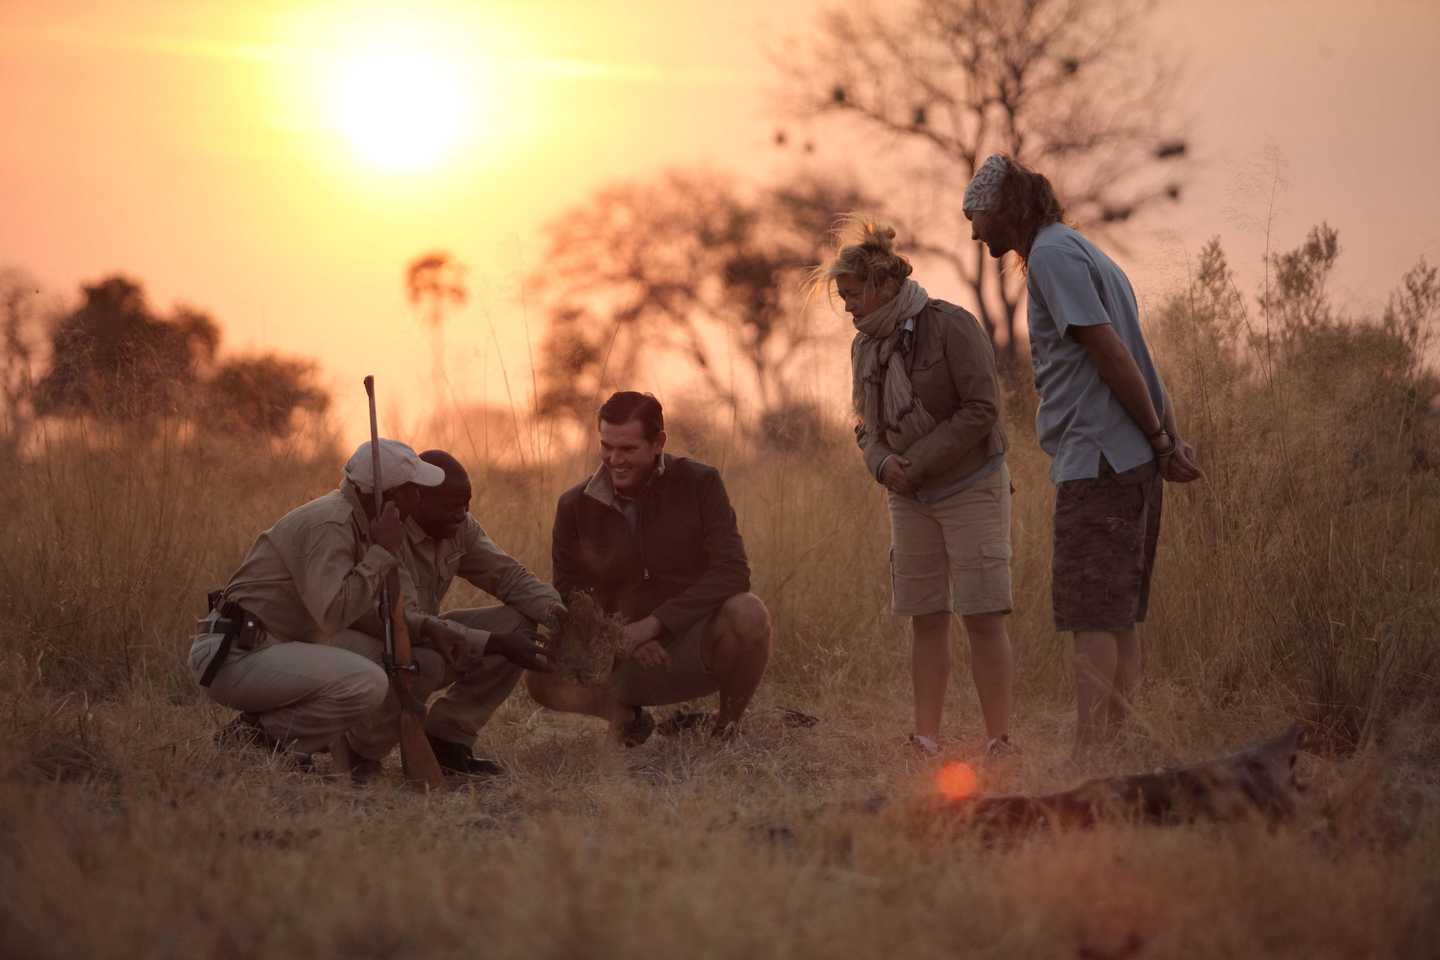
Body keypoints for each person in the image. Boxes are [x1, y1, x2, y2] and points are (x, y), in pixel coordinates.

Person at [962, 153, 1202, 757]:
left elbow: (1108, 350)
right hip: (1129, 460)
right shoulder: (1087, 253)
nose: (973, 231)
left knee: (1093, 618)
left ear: (1006, 209)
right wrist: (1164, 439)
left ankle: (1089, 753)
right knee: (1118, 619)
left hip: (1099, 460)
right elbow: (1136, 353)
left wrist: (1156, 436)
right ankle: (1115, 753)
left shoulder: (1052, 256)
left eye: (978, 216)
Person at [189, 438, 549, 778]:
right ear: (385, 496)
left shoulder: (367, 523)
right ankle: (263, 739)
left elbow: (376, 617)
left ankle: (385, 749)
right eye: (413, 490)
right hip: (243, 652)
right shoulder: (332, 523)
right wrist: (383, 553)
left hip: (283, 643)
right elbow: (332, 613)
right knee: (370, 680)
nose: (418, 498)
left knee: (402, 658)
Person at [821, 218, 1017, 760]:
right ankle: (925, 738)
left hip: (971, 484)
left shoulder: (953, 324)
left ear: (883, 285)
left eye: (853, 294)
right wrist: (883, 466)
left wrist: (918, 464)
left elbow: (983, 410)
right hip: (907, 494)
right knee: (925, 615)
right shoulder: (864, 348)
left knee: (982, 613)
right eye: (843, 297)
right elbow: (864, 425)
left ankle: (998, 739)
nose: (848, 307)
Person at [527, 391, 772, 743]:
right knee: (538, 668)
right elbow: (571, 593)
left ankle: (726, 728)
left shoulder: (701, 482)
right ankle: (624, 716)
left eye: (628, 449)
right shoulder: (572, 505)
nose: (614, 459)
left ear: (658, 442)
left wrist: (656, 626)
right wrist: (621, 637)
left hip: (691, 645)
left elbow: (733, 571)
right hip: (616, 654)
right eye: (606, 446)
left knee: (749, 612)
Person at [392, 448, 564, 775]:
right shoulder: (389, 535)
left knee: (516, 623)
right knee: (428, 662)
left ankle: (448, 739)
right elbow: (408, 620)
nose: (463, 514)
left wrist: (559, 614)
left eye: (467, 503)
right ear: (416, 499)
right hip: (392, 646)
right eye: (452, 506)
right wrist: (494, 643)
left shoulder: (461, 527)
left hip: (427, 636)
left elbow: (509, 577)